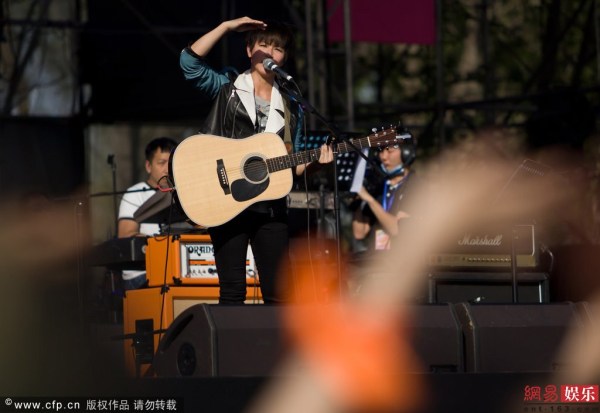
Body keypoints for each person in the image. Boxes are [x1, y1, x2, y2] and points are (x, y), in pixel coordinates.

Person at [180, 17, 333, 304]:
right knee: (233, 291)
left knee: (279, 295)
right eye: (264, 45)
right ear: (249, 50)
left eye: (278, 48)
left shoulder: (292, 107)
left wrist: (316, 163)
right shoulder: (227, 89)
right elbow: (189, 63)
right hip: (226, 200)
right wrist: (226, 27)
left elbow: (293, 166)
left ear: (284, 58)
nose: (270, 53)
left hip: (270, 208)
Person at [118, 136, 178, 290]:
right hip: (141, 274)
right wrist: (162, 246)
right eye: (161, 163)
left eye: (170, 163)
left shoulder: (182, 193)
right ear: (148, 166)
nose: (167, 169)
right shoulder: (134, 193)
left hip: (178, 269)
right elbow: (126, 235)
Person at [352, 140, 417, 251]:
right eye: (381, 151)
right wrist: (357, 198)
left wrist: (370, 200)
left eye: (389, 151)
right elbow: (359, 233)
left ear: (406, 153)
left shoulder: (415, 185)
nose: (383, 157)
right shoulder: (379, 184)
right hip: (376, 256)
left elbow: (396, 229)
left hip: (400, 256)